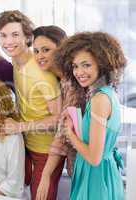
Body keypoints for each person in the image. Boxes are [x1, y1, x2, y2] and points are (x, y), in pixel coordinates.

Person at [0, 11, 63, 200]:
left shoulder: (41, 70)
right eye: (3, 36)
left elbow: (58, 119)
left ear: (27, 37)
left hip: (47, 150)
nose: (8, 42)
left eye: (15, 35)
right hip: (26, 144)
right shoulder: (15, 61)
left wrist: (19, 126)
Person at [57, 32, 125, 200]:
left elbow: (94, 158)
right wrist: (77, 117)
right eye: (75, 66)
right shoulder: (106, 94)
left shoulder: (99, 99)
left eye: (86, 65)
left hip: (95, 177)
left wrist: (70, 134)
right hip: (102, 174)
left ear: (102, 65)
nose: (79, 72)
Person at [32, 25, 81, 200]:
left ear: (62, 49)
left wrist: (45, 175)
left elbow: (62, 131)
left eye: (46, 50)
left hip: (85, 159)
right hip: (74, 157)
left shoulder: (73, 81)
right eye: (36, 51)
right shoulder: (58, 79)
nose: (40, 56)